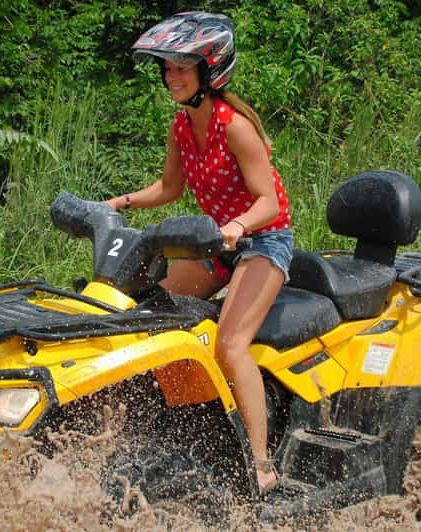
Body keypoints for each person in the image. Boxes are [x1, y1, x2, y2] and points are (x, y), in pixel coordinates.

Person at [105, 11, 293, 494]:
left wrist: (236, 226)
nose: (171, 77)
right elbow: (169, 188)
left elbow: (268, 201)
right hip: (217, 244)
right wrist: (116, 203)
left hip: (263, 241)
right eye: (167, 68)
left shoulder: (236, 128)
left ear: (211, 70)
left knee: (231, 343)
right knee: (147, 313)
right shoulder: (182, 126)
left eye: (180, 68)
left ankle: (261, 464)